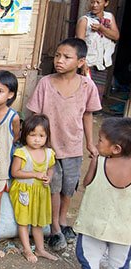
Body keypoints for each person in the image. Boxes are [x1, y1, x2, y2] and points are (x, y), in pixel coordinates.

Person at [26, 38, 102, 252]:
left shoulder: (87, 86)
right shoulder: (46, 83)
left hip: (73, 146)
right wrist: (36, 143)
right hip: (49, 148)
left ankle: (63, 220)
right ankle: (56, 228)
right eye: (58, 55)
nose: (59, 60)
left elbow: (88, 115)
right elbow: (35, 115)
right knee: (53, 187)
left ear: (80, 62)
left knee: (69, 187)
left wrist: (90, 143)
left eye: (66, 57)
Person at [73, 117, 131, 269]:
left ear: (116, 148)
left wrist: (93, 162)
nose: (97, 144)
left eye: (100, 140)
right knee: (119, 264)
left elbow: (86, 182)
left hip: (93, 224)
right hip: (125, 231)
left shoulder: (99, 162)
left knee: (89, 255)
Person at [9, 114, 58, 263]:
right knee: (23, 221)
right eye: (32, 135)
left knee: (38, 222)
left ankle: (40, 249)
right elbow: (15, 172)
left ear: (47, 136)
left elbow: (51, 168)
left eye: (41, 135)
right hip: (24, 191)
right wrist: (35, 174)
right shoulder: (21, 152)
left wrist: (49, 177)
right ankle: (27, 249)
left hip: (41, 192)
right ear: (25, 135)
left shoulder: (49, 153)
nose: (37, 139)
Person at [0, 70, 20, 258]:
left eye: (0, 91)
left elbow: (15, 137)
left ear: (11, 94)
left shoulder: (12, 117)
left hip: (1, 171)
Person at [76, 0, 119, 98]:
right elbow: (79, 44)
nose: (94, 5)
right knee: (83, 95)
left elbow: (116, 36)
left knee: (96, 97)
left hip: (101, 64)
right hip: (88, 64)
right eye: (92, 2)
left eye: (98, 2)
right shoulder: (85, 20)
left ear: (106, 3)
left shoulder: (109, 17)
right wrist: (83, 64)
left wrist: (102, 28)